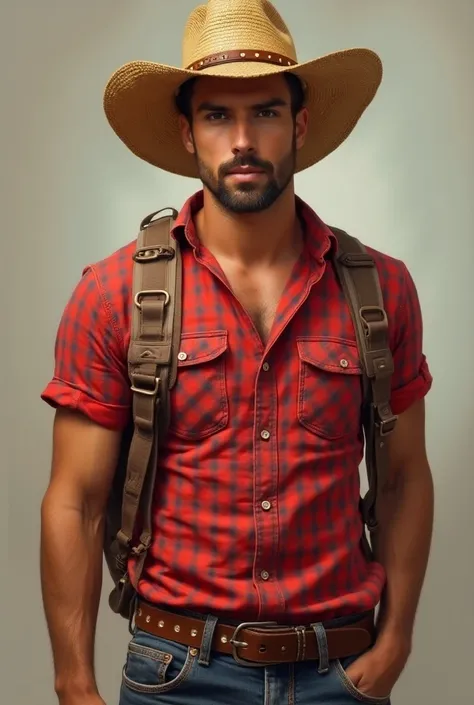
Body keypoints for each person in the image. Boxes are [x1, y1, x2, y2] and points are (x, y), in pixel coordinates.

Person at [39, 1, 434, 703]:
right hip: (177, 670)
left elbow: (403, 479)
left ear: (300, 125)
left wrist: (396, 639)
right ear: (187, 132)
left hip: (340, 669)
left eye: (267, 113)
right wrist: (74, 683)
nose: (243, 138)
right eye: (218, 114)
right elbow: (75, 499)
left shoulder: (381, 290)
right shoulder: (112, 293)